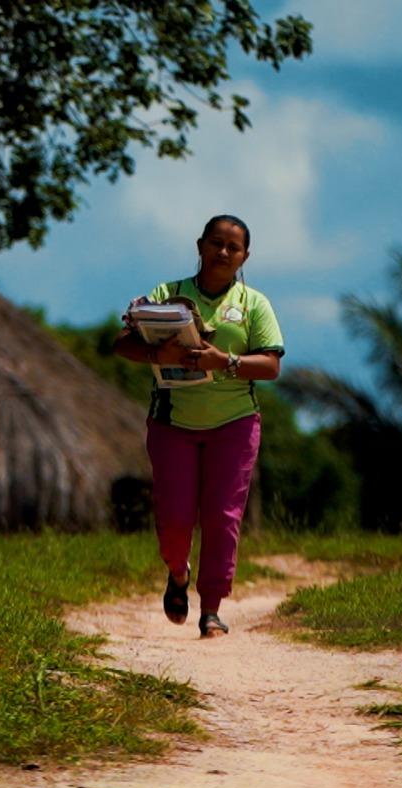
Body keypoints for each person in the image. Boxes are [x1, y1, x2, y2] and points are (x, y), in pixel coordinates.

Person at [113, 214, 284, 638]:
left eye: (233, 247)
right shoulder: (166, 294)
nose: (223, 252)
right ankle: (176, 573)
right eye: (215, 243)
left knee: (223, 518)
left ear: (245, 256)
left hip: (235, 423)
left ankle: (211, 609)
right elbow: (123, 344)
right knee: (174, 520)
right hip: (173, 421)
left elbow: (271, 366)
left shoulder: (254, 305)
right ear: (200, 245)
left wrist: (224, 361)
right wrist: (159, 357)